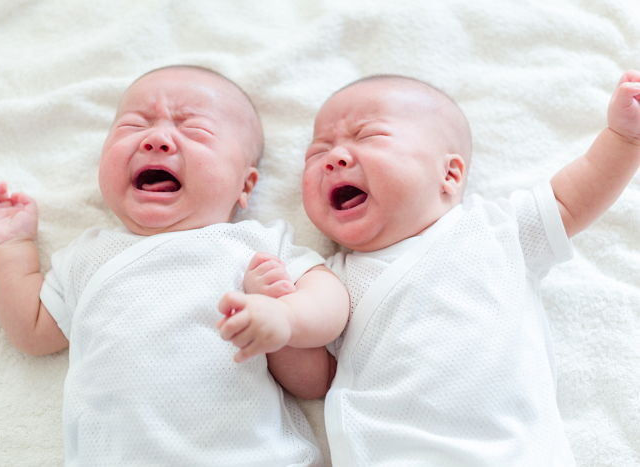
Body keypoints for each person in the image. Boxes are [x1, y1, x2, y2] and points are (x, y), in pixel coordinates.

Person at [245, 71, 640, 466]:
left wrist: (623, 139)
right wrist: (279, 329)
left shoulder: (495, 231)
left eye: (369, 137)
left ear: (448, 175)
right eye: (317, 153)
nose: (334, 158)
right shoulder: (331, 281)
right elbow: (317, 382)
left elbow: (573, 198)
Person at [0, 65, 349, 466]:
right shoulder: (89, 257)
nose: (156, 139)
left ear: (245, 185)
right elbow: (32, 331)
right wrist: (12, 247)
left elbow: (330, 300)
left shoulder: (253, 246)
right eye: (134, 126)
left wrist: (285, 315)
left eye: (194, 130)